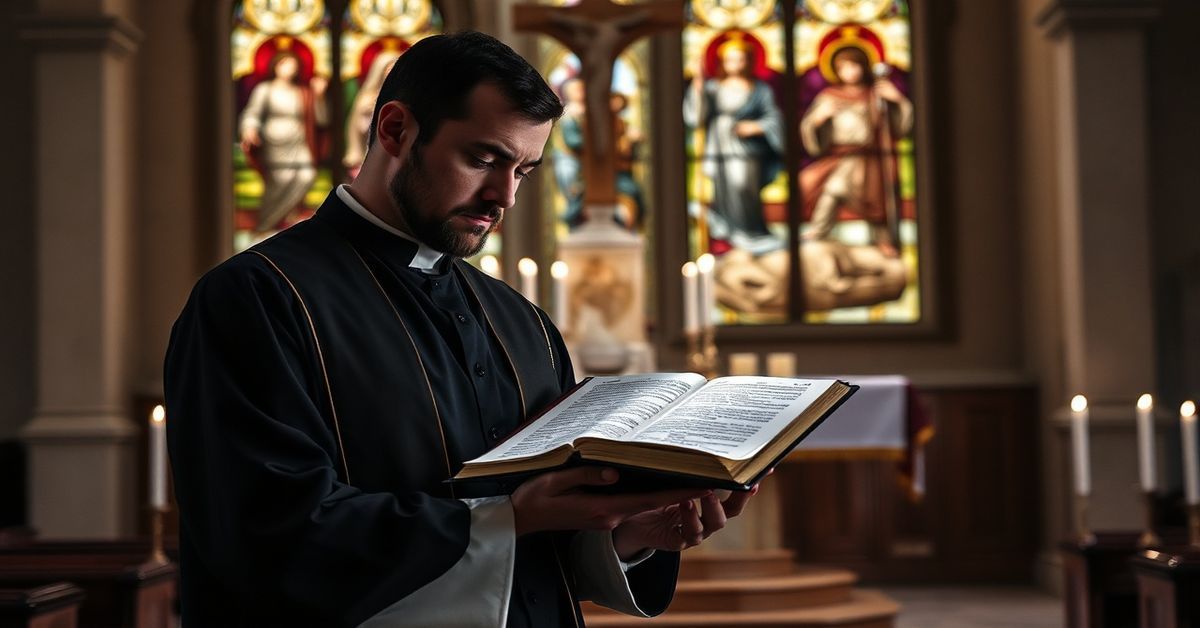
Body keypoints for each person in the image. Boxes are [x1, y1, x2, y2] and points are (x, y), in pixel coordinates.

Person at [166, 31, 760, 627]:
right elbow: (264, 536)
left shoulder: (522, 321)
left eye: (524, 171)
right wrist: (510, 517)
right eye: (482, 159)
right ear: (395, 130)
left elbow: (535, 551)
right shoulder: (257, 297)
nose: (502, 197)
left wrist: (626, 533)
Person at [799, 45, 913, 258]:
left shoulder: (875, 93)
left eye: (854, 66)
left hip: (870, 158)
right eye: (844, 68)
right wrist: (819, 119)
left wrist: (895, 99)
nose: (850, 72)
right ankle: (818, 231)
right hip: (838, 156)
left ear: (863, 67)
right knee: (812, 182)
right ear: (836, 70)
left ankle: (880, 239)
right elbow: (809, 129)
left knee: (840, 188)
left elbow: (899, 128)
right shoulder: (828, 96)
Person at [683, 34, 785, 255]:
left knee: (742, 185)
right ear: (722, 63)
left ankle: (750, 233)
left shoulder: (760, 89)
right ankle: (728, 233)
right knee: (723, 188)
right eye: (730, 60)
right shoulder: (712, 87)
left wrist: (756, 127)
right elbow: (695, 117)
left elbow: (774, 118)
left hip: (748, 149)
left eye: (740, 59)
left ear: (749, 61)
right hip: (719, 144)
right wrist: (698, 85)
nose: (735, 64)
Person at [239, 50, 329, 233]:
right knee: (281, 178)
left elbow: (322, 120)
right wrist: (250, 128)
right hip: (274, 139)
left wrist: (319, 96)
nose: (290, 69)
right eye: (285, 65)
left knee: (307, 175)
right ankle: (268, 223)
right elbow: (252, 113)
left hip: (299, 139)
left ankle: (287, 218)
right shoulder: (265, 89)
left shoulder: (303, 92)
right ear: (276, 67)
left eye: (293, 66)